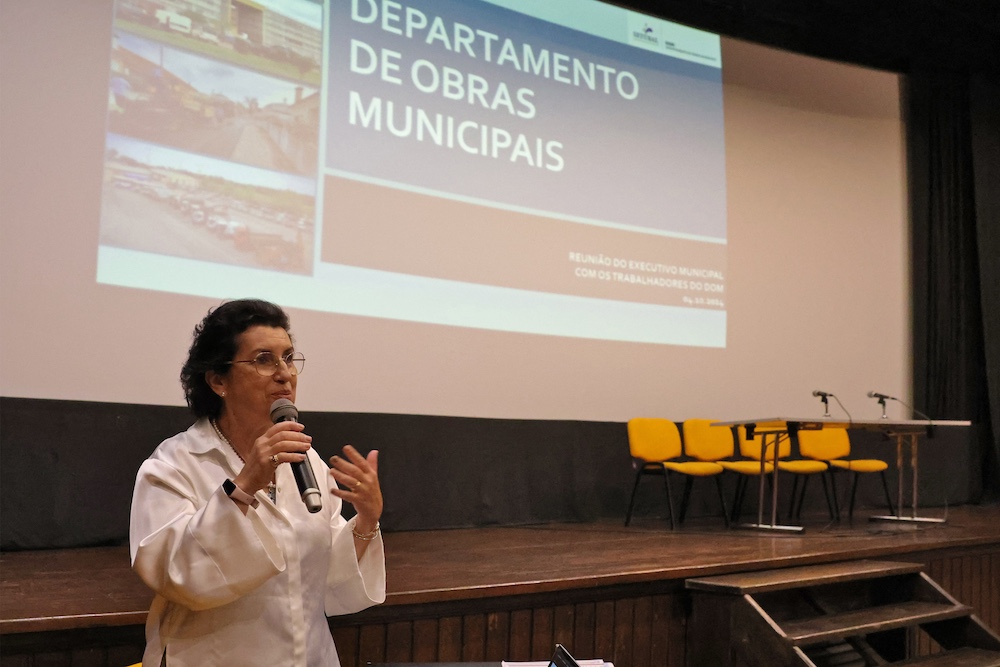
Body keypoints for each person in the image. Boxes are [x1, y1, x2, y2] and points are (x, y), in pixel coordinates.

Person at [130, 299, 385, 666]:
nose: (285, 374)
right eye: (264, 360)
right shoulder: (174, 464)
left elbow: (327, 581)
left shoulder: (307, 461)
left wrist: (367, 520)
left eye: (289, 358)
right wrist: (245, 485)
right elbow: (177, 577)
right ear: (218, 380)